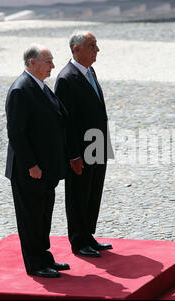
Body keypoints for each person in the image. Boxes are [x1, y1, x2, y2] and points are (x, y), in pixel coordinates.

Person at [5, 44, 69, 278]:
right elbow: (17, 133)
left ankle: (44, 257)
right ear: (32, 63)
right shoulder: (21, 90)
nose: (53, 65)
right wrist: (31, 165)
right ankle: (35, 263)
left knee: (43, 215)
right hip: (30, 170)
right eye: (48, 61)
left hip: (47, 168)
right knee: (31, 217)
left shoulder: (40, 87)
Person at [55, 31, 114, 258]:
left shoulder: (90, 71)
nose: (97, 50)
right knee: (78, 194)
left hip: (97, 143)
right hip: (80, 149)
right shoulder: (66, 79)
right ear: (77, 49)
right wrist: (72, 155)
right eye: (92, 45)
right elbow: (66, 123)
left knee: (93, 191)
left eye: (96, 44)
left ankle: (88, 235)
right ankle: (78, 241)